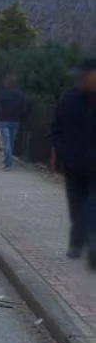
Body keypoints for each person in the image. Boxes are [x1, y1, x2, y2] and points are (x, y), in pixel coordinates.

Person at [49, 58, 96, 269]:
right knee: (76, 207)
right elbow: (56, 128)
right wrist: (61, 150)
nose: (81, 79)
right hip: (73, 164)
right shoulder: (69, 98)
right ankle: (77, 242)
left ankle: (91, 246)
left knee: (91, 207)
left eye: (85, 75)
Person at [0, 75, 30, 170]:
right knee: (11, 143)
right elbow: (24, 109)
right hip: (15, 121)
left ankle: (8, 164)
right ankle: (8, 161)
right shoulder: (21, 95)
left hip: (3, 121)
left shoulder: (2, 94)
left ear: (7, 83)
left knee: (6, 143)